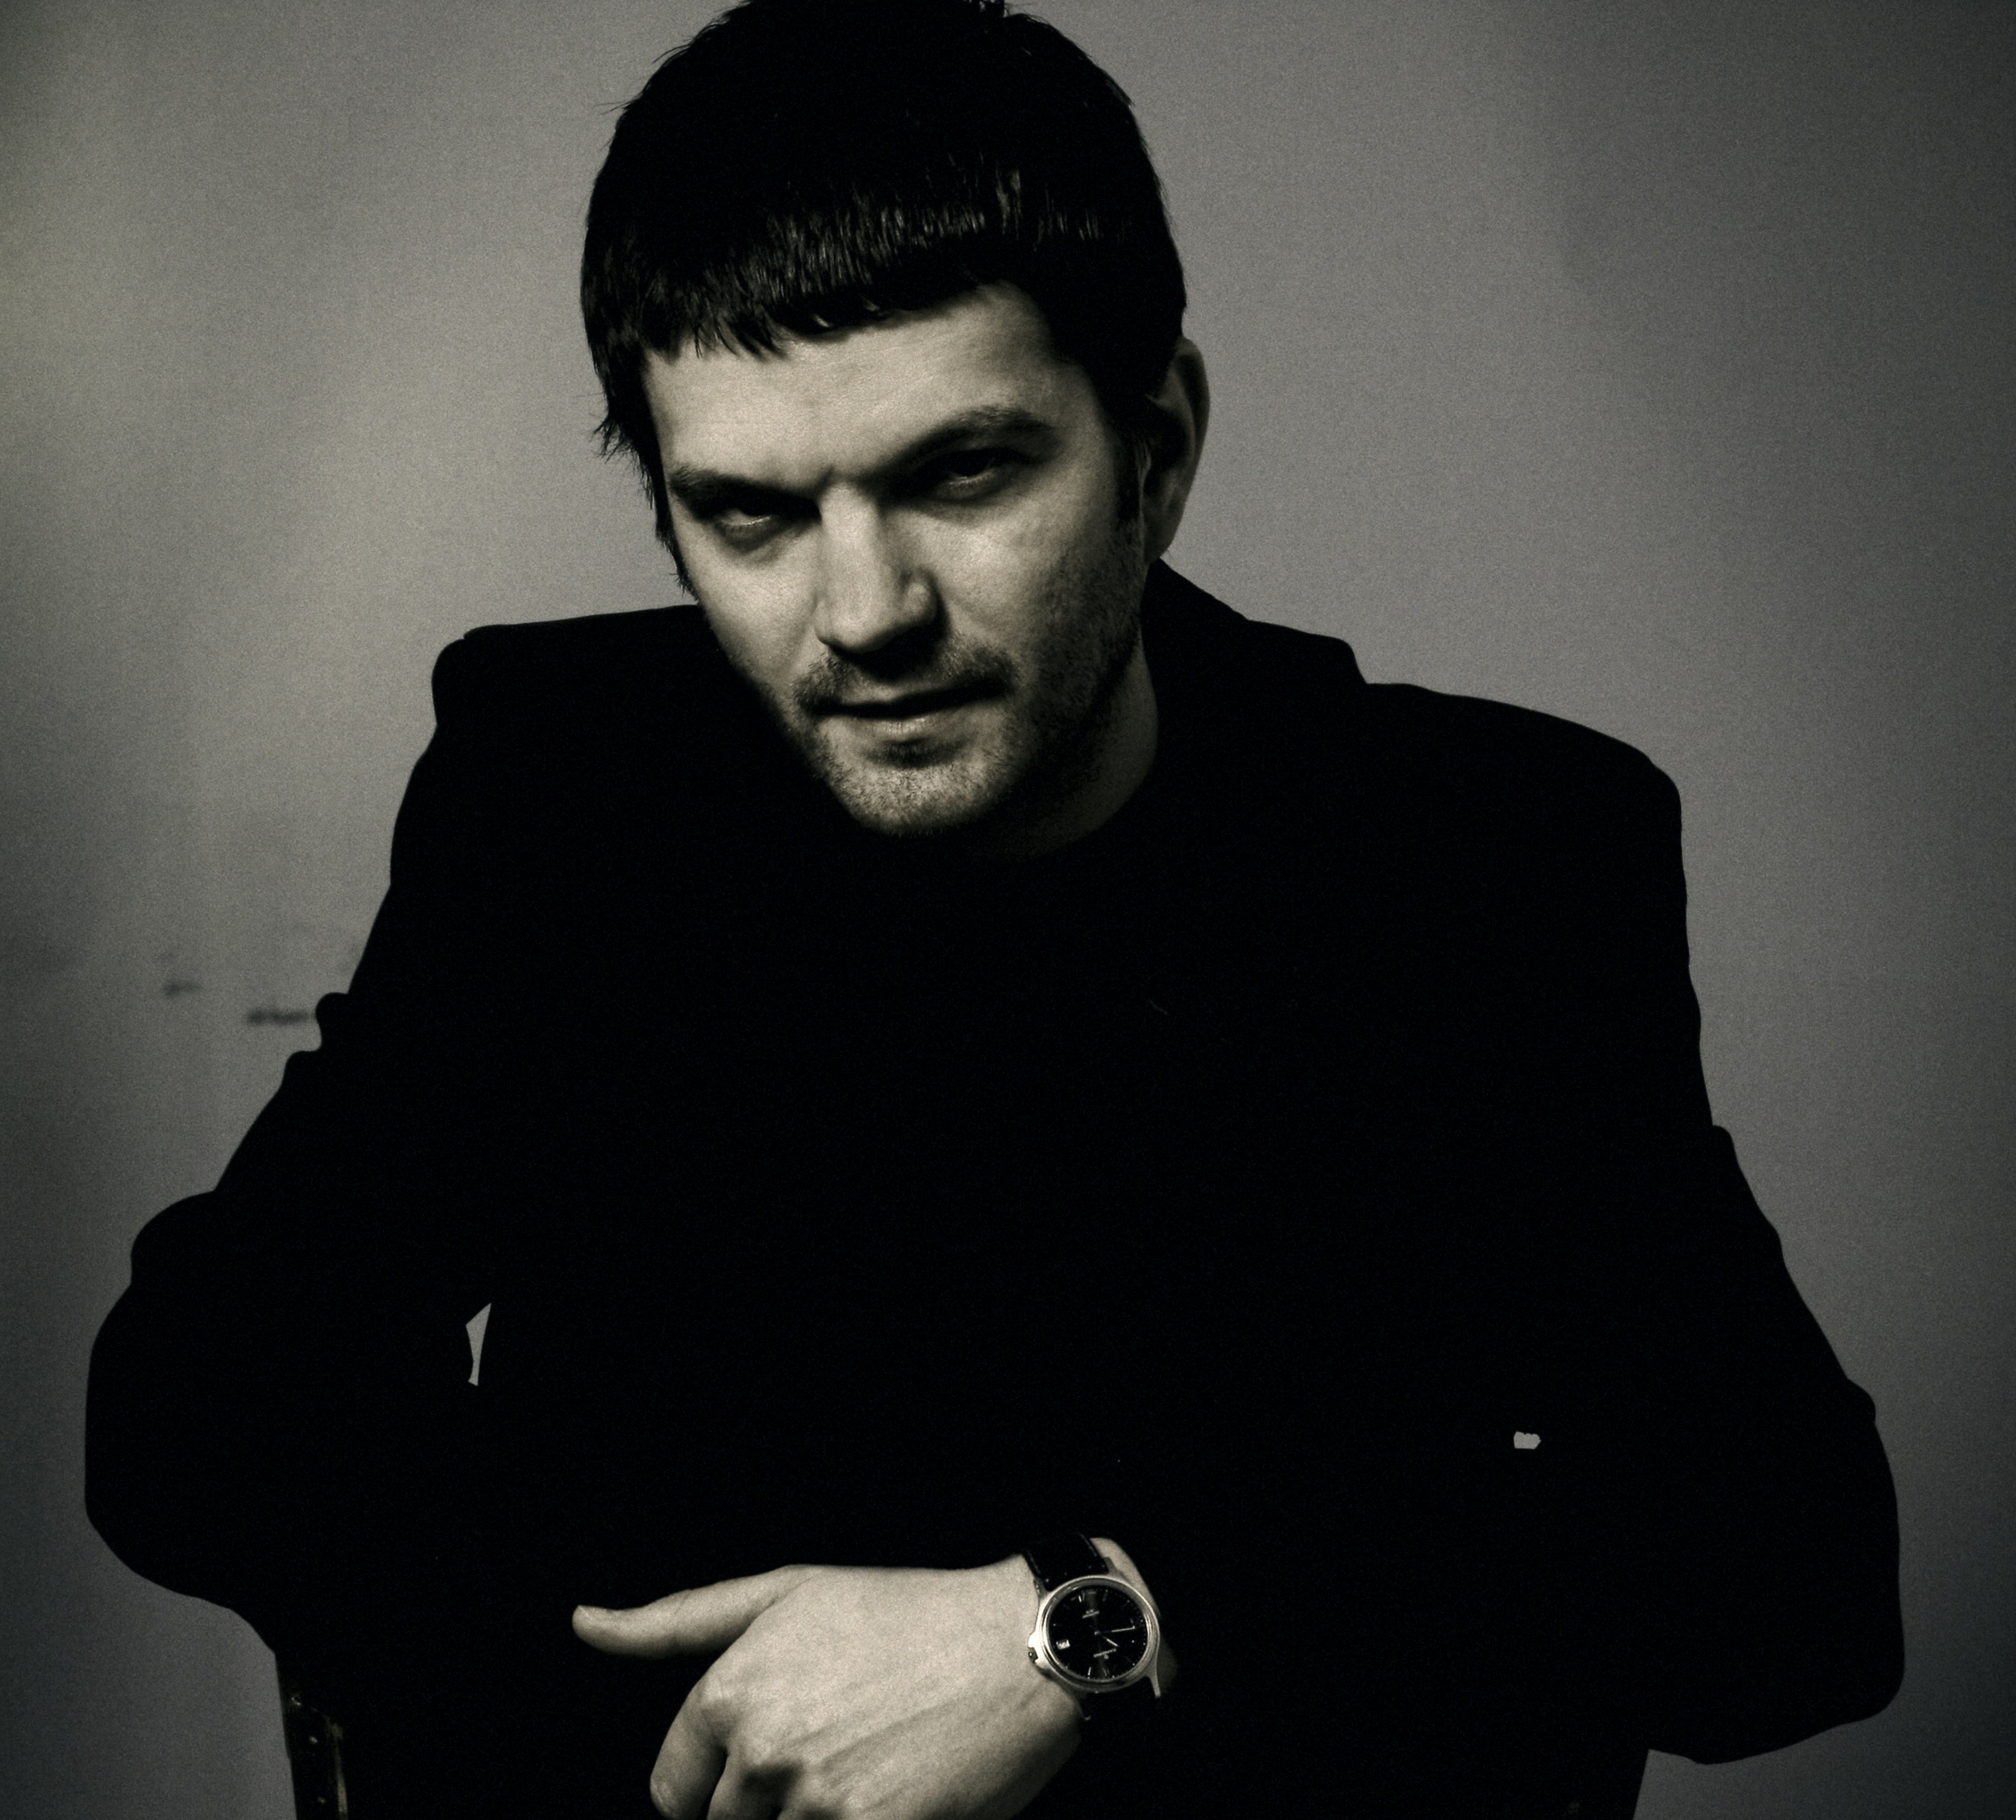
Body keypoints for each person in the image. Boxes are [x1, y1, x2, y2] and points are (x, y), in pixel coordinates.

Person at [84, 2, 1903, 1816]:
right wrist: (656, 1715)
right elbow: (197, 1395)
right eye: (748, 515)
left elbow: (1790, 1579)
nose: (863, 611)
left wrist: (1092, 1622)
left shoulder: (1479, 861)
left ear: (1154, 448)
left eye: (960, 473)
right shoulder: (566, 787)